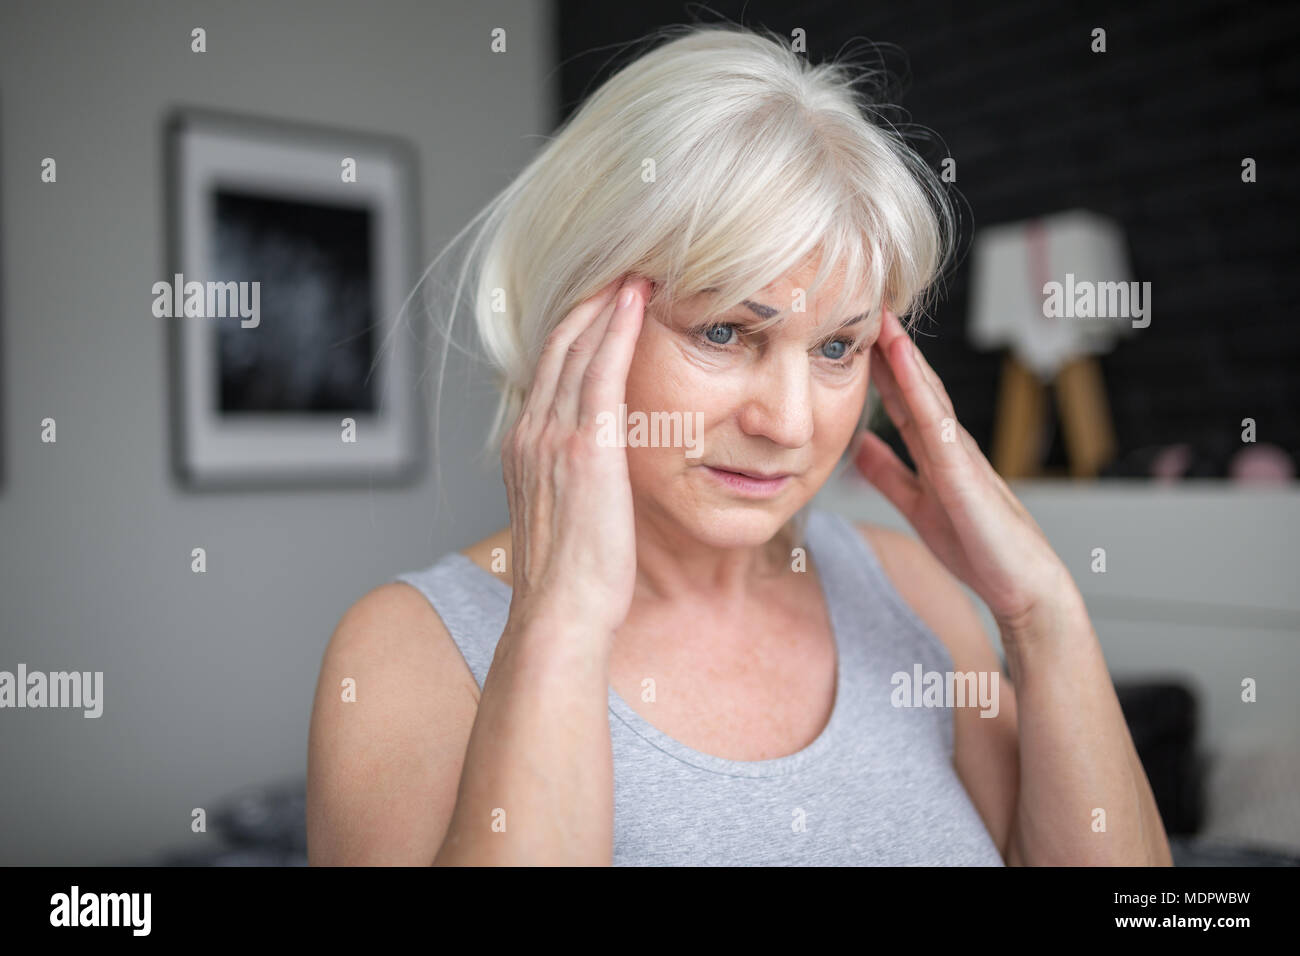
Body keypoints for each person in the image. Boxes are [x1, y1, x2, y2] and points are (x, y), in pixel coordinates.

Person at [306, 23, 1171, 866]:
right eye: (724, 332)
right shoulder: (404, 652)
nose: (789, 424)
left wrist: (1041, 614)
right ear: (574, 315)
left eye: (838, 347)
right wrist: (558, 624)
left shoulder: (910, 592)